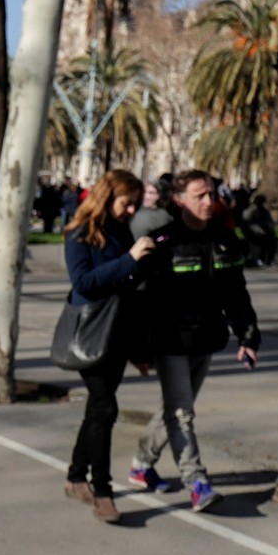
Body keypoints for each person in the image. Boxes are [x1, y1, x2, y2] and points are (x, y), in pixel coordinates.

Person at [129, 169, 261, 512]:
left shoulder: (224, 239)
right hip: (169, 341)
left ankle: (142, 464)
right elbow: (143, 299)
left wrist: (247, 336)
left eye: (211, 194)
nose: (208, 201)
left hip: (206, 340)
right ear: (179, 200)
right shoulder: (162, 242)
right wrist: (140, 348)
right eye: (200, 195)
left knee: (175, 409)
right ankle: (197, 482)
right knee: (182, 413)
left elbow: (236, 294)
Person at [60, 170, 157, 524]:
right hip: (88, 334)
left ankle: (74, 477)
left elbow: (125, 287)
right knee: (105, 408)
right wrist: (129, 259)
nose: (131, 210)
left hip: (117, 334)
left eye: (135, 204)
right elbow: (84, 282)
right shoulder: (79, 234)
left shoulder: (120, 232)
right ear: (106, 197)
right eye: (125, 203)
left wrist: (144, 263)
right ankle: (102, 491)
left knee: (98, 411)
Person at [240, 193, 278, 267]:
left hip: (263, 232)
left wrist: (270, 228)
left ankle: (270, 259)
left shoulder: (264, 210)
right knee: (264, 240)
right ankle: (261, 259)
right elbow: (248, 222)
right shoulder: (252, 210)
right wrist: (260, 230)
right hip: (252, 233)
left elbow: (269, 221)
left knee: (273, 239)